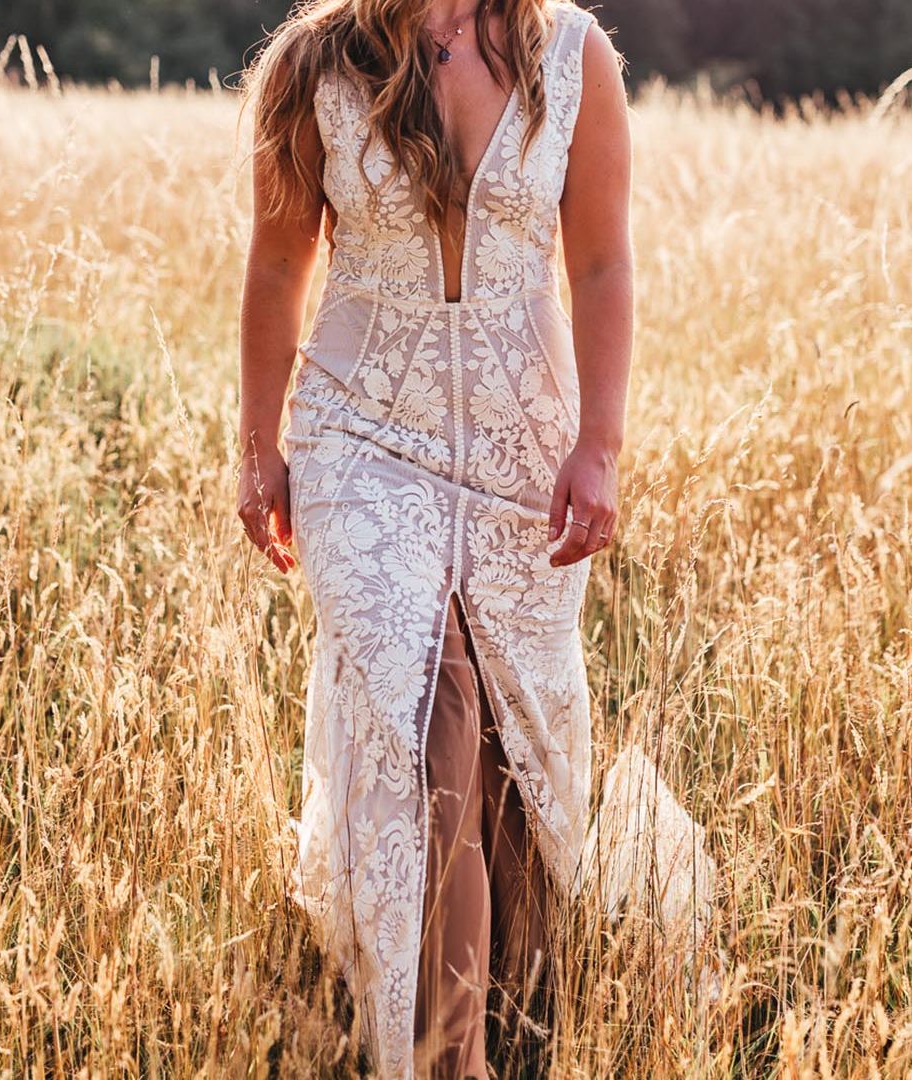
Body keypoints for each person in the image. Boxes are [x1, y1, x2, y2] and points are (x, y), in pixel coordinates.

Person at [237, 0, 633, 1074]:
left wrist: (599, 446)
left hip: (522, 447)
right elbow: (277, 265)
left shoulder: (573, 55)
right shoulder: (317, 64)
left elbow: (602, 263)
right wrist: (258, 445)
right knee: (424, 710)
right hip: (358, 434)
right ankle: (440, 1059)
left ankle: (520, 1020)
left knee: (513, 749)